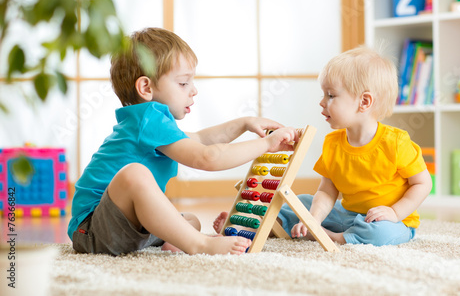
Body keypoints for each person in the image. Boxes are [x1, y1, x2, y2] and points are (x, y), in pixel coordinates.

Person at [68, 27, 298, 256]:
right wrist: (266, 145)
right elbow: (206, 157)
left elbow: (200, 139)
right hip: (91, 230)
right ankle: (201, 245)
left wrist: (244, 123)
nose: (193, 90)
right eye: (183, 83)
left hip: (124, 228)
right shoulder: (148, 120)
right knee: (134, 174)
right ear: (146, 87)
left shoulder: (148, 122)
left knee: (190, 221)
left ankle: (177, 241)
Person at [277, 45, 433, 246]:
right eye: (324, 94)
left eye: (331, 95)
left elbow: (423, 183)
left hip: (388, 220)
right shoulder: (332, 143)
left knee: (381, 233)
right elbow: (326, 191)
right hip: (346, 213)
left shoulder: (395, 142)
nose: (322, 102)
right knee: (299, 202)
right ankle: (281, 224)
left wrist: (395, 212)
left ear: (364, 102)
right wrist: (314, 218)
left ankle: (336, 238)